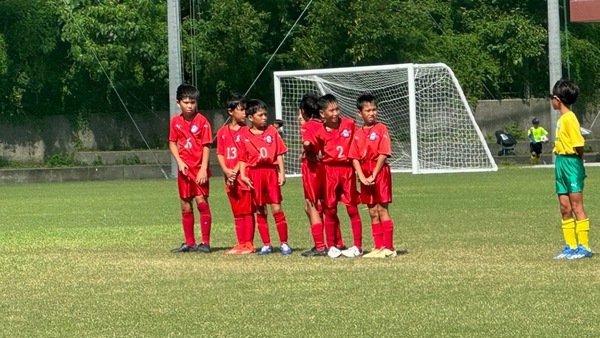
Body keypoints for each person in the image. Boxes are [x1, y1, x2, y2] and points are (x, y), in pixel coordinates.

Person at [309, 94, 363, 258]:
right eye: (331, 110)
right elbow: (315, 153)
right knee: (330, 209)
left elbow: (359, 142)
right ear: (322, 114)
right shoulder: (319, 131)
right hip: (329, 171)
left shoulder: (349, 124)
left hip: (347, 171)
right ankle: (331, 246)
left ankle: (357, 246)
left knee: (352, 207)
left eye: (337, 109)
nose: (335, 113)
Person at [239, 99, 292, 255]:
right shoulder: (244, 136)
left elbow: (279, 153)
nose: (264, 117)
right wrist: (243, 174)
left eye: (265, 114)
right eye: (260, 115)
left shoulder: (271, 132)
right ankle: (266, 244)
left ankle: (284, 243)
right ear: (250, 117)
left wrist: (281, 172)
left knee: (276, 207)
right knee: (260, 210)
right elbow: (243, 158)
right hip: (255, 174)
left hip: (270, 172)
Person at [549, 79, 592, 259]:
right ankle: (570, 246)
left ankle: (584, 246)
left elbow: (578, 144)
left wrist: (579, 164)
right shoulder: (562, 118)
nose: (550, 100)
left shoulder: (570, 118)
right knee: (564, 206)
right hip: (560, 162)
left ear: (557, 99)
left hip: (571, 162)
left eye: (551, 97)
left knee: (576, 205)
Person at [349, 94, 396, 258]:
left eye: (374, 109)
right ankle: (378, 246)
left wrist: (374, 174)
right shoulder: (357, 133)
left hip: (380, 172)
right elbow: (354, 157)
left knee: (382, 209)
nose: (372, 113)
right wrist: (361, 176)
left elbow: (383, 153)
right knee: (372, 211)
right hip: (365, 172)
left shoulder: (381, 128)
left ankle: (389, 247)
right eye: (368, 110)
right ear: (359, 113)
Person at [168, 84, 213, 253]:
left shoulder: (202, 122)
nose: (189, 106)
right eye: (186, 102)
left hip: (198, 169)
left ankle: (205, 242)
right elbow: (172, 142)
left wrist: (203, 168)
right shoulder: (175, 121)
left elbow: (207, 145)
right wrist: (179, 161)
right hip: (184, 170)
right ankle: (189, 242)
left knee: (201, 202)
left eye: (192, 102)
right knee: (185, 205)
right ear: (178, 103)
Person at [216, 93, 255, 255]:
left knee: (247, 211)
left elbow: (245, 155)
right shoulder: (222, 132)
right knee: (237, 212)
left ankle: (249, 244)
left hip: (243, 177)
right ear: (231, 111)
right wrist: (226, 170)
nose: (244, 113)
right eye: (241, 110)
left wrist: (237, 171)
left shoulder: (247, 131)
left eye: (245, 109)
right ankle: (240, 243)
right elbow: (220, 153)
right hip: (229, 178)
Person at [297, 93, 327, 257]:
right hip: (326, 167)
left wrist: (307, 151)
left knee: (311, 204)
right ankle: (334, 242)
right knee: (323, 204)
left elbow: (308, 142)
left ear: (304, 111)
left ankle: (320, 246)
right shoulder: (323, 124)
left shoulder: (308, 125)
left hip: (313, 168)